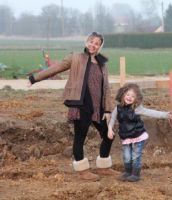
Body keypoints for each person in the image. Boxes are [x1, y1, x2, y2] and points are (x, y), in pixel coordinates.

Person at [28, 32, 119, 181]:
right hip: (81, 104)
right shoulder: (75, 58)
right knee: (80, 137)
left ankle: (104, 167)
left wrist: (108, 109)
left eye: (96, 43)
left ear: (100, 46)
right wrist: (34, 78)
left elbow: (106, 88)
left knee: (109, 135)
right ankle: (82, 170)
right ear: (86, 42)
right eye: (91, 41)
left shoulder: (102, 64)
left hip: (98, 108)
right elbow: (55, 68)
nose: (93, 45)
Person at [108, 83, 172, 182]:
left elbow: (151, 112)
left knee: (135, 155)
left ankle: (135, 174)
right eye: (128, 95)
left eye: (133, 96)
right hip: (126, 137)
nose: (130, 97)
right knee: (126, 156)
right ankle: (127, 172)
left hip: (138, 136)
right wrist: (110, 129)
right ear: (122, 95)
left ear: (137, 99)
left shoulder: (137, 109)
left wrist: (166, 115)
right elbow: (112, 118)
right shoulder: (118, 108)